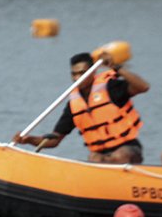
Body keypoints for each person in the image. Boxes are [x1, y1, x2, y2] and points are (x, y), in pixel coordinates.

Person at [13, 50, 150, 164]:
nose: (78, 78)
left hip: (129, 149)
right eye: (74, 74)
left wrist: (116, 67)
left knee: (120, 155)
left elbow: (143, 87)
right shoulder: (73, 104)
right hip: (100, 154)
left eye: (82, 73)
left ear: (93, 72)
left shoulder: (111, 87)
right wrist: (29, 140)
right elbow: (55, 140)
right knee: (94, 158)